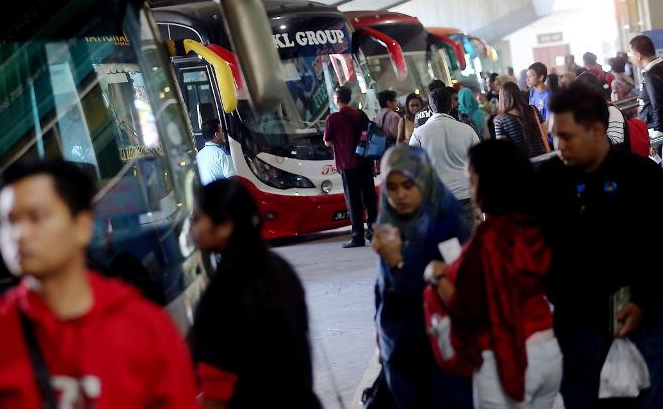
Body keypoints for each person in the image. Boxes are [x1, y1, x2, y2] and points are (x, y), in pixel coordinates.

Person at [0, 160, 199, 409]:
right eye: (8, 221)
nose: (18, 235)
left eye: (36, 217)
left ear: (82, 226)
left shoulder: (146, 330)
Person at [540, 83, 663, 409]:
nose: (558, 145)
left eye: (567, 136)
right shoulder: (549, 180)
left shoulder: (642, 177)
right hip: (574, 330)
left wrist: (644, 300)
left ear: (597, 130)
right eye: (553, 135)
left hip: (638, 326)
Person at [425, 140, 561, 409]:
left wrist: (438, 276)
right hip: (549, 350)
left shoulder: (491, 237)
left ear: (492, 182)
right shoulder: (540, 222)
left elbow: (467, 305)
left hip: (506, 358)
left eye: (473, 180)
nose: (471, 191)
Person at [190, 179, 322, 409]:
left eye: (197, 219)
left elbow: (215, 396)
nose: (191, 228)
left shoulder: (224, 293)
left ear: (225, 226)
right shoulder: (280, 269)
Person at [370, 144, 473, 409]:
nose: (399, 195)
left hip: (440, 354)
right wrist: (380, 334)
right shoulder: (389, 221)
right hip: (398, 351)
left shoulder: (449, 226)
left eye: (408, 184)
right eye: (391, 187)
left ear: (424, 180)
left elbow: (454, 292)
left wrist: (399, 262)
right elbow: (382, 286)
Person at [410, 88, 479, 228]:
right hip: (465, 194)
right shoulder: (467, 130)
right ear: (451, 105)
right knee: (468, 242)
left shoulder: (419, 133)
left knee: (445, 244)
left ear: (430, 108)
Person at [324, 85, 377, 248]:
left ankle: (357, 237)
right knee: (369, 199)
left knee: (353, 201)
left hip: (348, 165)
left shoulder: (332, 119)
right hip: (365, 162)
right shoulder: (359, 114)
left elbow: (328, 142)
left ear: (337, 99)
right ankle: (374, 234)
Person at [631, 34, 663, 137]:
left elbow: (659, 105)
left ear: (638, 55)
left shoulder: (653, 74)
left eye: (631, 54)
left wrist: (658, 134)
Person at [494, 82, 547, 158]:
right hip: (542, 158)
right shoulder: (533, 110)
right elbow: (544, 135)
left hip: (521, 163)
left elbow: (503, 149)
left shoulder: (501, 120)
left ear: (502, 98)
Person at [196, 119, 237, 185]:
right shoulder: (222, 153)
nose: (223, 133)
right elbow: (232, 180)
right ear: (216, 134)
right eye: (222, 131)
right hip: (221, 194)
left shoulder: (198, 156)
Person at [527, 62, 551, 130]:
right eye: (527, 76)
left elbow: (548, 123)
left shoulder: (548, 96)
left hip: (545, 135)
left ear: (540, 77)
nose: (527, 79)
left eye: (530, 76)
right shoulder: (532, 92)